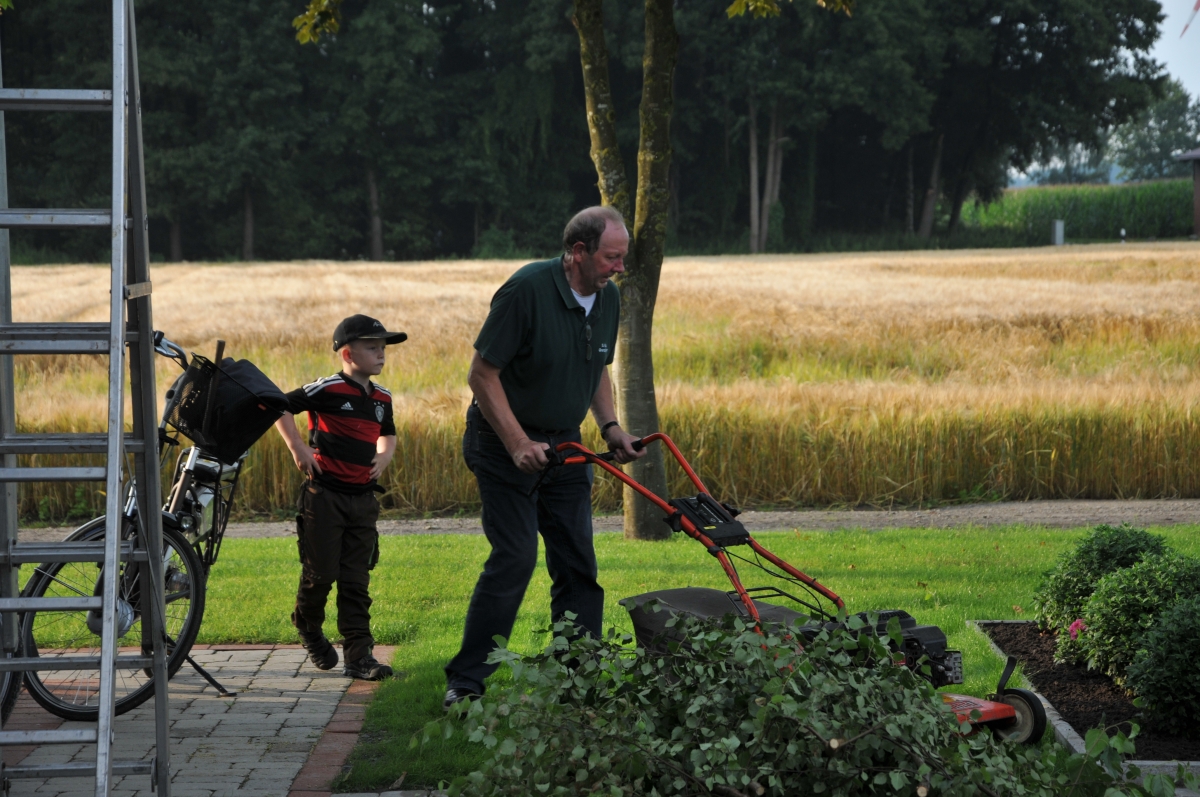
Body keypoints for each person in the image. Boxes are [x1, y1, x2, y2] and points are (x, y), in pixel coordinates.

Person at [443, 205, 646, 709]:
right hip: (500, 443)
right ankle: (466, 684)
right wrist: (516, 444)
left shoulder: (608, 296)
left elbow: (598, 363)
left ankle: (579, 682)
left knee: (578, 565)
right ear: (578, 252)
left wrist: (611, 426)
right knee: (514, 558)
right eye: (611, 257)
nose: (619, 268)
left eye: (623, 258)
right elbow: (481, 375)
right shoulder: (527, 291)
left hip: (566, 446)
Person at [274, 314, 406, 681]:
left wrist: (384, 454)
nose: (381, 354)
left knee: (356, 580)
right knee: (322, 573)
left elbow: (388, 433)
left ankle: (359, 656)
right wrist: (298, 446)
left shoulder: (382, 397)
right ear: (348, 353)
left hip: (363, 501)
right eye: (372, 348)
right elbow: (279, 405)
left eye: (383, 348)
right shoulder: (328, 389)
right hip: (324, 497)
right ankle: (307, 622)